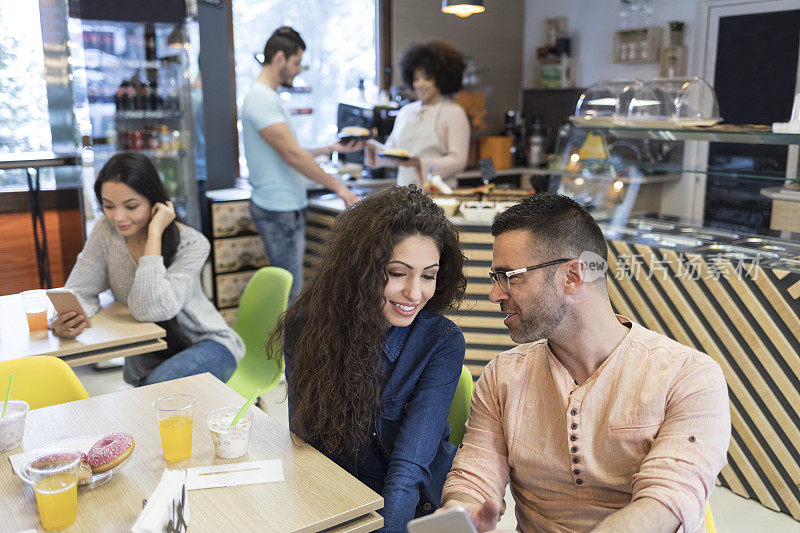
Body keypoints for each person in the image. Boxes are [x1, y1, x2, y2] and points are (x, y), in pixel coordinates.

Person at [441, 193, 731, 533]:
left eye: (509, 276)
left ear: (572, 276)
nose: (495, 293)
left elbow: (668, 499)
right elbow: (474, 475)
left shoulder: (689, 376)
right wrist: (462, 512)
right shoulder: (502, 377)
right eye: (495, 277)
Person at [274, 186, 468, 532]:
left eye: (428, 275)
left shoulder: (441, 342)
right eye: (397, 272)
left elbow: (407, 473)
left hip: (410, 509)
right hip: (343, 500)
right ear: (361, 268)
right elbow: (307, 449)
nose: (414, 292)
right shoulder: (307, 328)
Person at [52, 152, 245, 386]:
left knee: (151, 394)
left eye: (131, 206)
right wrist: (68, 319)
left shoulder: (192, 243)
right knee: (148, 396)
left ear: (155, 203)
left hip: (208, 345)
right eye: (108, 206)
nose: (118, 217)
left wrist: (154, 234)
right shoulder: (105, 230)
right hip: (150, 357)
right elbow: (79, 289)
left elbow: (149, 309)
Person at [242, 26, 361, 301]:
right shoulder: (260, 98)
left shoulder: (267, 97)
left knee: (291, 291)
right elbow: (292, 155)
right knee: (289, 295)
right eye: (296, 63)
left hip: (283, 207)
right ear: (280, 58)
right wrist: (339, 188)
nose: (298, 71)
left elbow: (290, 149)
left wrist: (330, 148)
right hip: (278, 209)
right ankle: (285, 346)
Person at [366, 40, 470, 187]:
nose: (420, 84)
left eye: (427, 78)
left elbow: (458, 161)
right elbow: (391, 152)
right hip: (404, 194)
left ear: (441, 79)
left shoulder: (453, 113)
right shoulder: (406, 111)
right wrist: (370, 146)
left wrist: (419, 163)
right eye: (416, 79)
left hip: (438, 195)